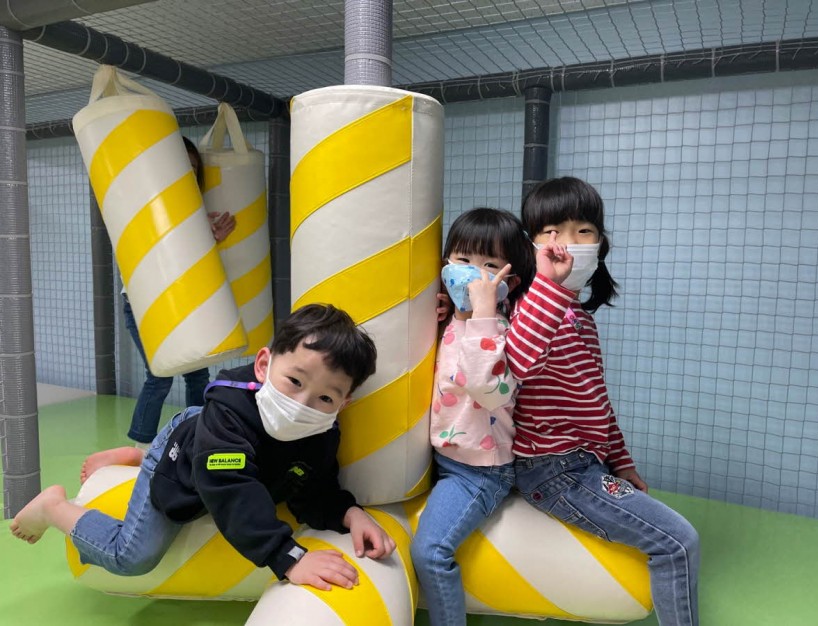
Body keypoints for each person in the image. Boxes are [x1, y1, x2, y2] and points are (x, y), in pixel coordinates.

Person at [12, 304, 396, 592]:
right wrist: (289, 558)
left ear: (343, 403)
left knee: (219, 458)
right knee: (130, 557)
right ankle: (54, 506)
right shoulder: (229, 413)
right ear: (264, 365)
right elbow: (230, 488)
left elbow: (314, 484)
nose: (301, 404)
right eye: (294, 381)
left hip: (214, 443)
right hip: (188, 448)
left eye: (325, 398)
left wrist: (348, 513)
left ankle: (137, 458)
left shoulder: (322, 431)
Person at [505, 177, 700, 626]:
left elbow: (597, 402)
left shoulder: (579, 319)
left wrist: (621, 461)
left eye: (583, 231)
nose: (568, 243)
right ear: (531, 246)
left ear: (600, 243)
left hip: (585, 462)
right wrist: (550, 286)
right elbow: (517, 365)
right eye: (551, 231)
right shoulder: (527, 307)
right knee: (679, 541)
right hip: (553, 470)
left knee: (675, 536)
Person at [411, 208, 534, 625]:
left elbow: (488, 389)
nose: (473, 275)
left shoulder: (505, 330)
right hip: (441, 458)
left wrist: (482, 314)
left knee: (430, 552)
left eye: (489, 267)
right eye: (462, 260)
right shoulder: (450, 319)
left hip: (479, 471)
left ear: (509, 284)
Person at [123, 136, 236, 447]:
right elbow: (152, 259)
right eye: (180, 166)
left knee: (197, 375)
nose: (187, 173)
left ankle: (197, 436)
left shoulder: (195, 209)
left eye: (192, 167)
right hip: (145, 304)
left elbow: (191, 266)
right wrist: (195, 233)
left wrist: (208, 238)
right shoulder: (147, 206)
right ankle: (142, 447)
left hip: (185, 303)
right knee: (159, 376)